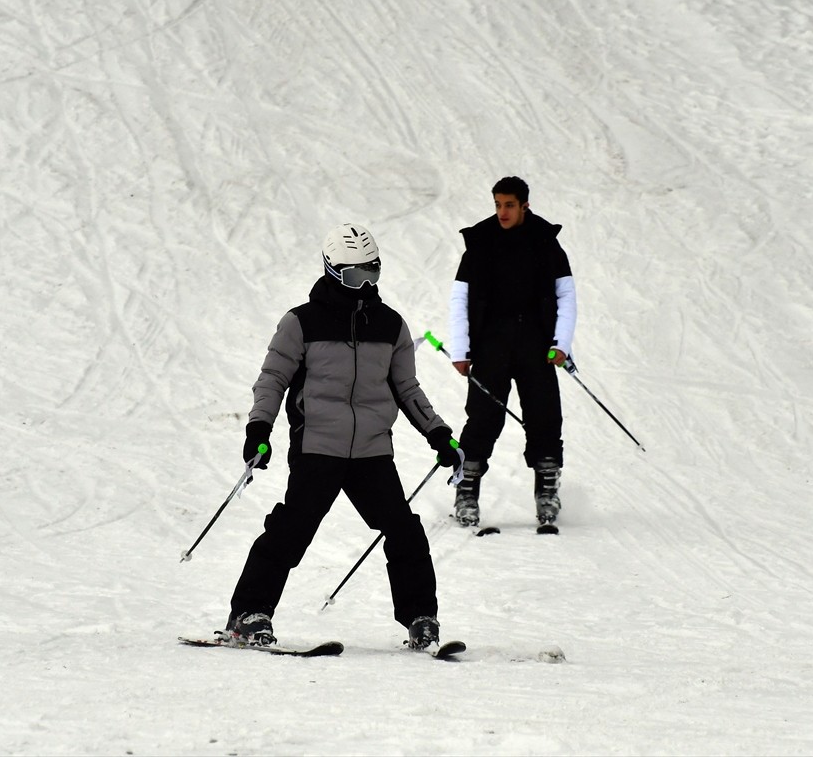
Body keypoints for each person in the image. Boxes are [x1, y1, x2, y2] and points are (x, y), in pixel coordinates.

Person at [226, 223, 461, 652]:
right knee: (291, 529)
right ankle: (248, 614)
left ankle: (421, 618)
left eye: (373, 272)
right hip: (318, 447)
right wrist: (259, 428)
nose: (366, 284)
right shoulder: (301, 322)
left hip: (372, 451)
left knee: (404, 530)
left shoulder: (390, 326)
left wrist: (439, 433)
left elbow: (407, 388)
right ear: (334, 272)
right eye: (356, 276)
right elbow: (273, 379)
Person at [446, 176, 576, 528]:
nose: (502, 212)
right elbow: (460, 298)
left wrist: (560, 344)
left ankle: (547, 491)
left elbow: (566, 295)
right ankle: (466, 491)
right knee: (483, 420)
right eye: (498, 204)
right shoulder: (480, 242)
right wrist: (461, 350)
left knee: (545, 416)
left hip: (537, 347)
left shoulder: (546, 243)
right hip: (491, 347)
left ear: (524, 206)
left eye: (509, 205)